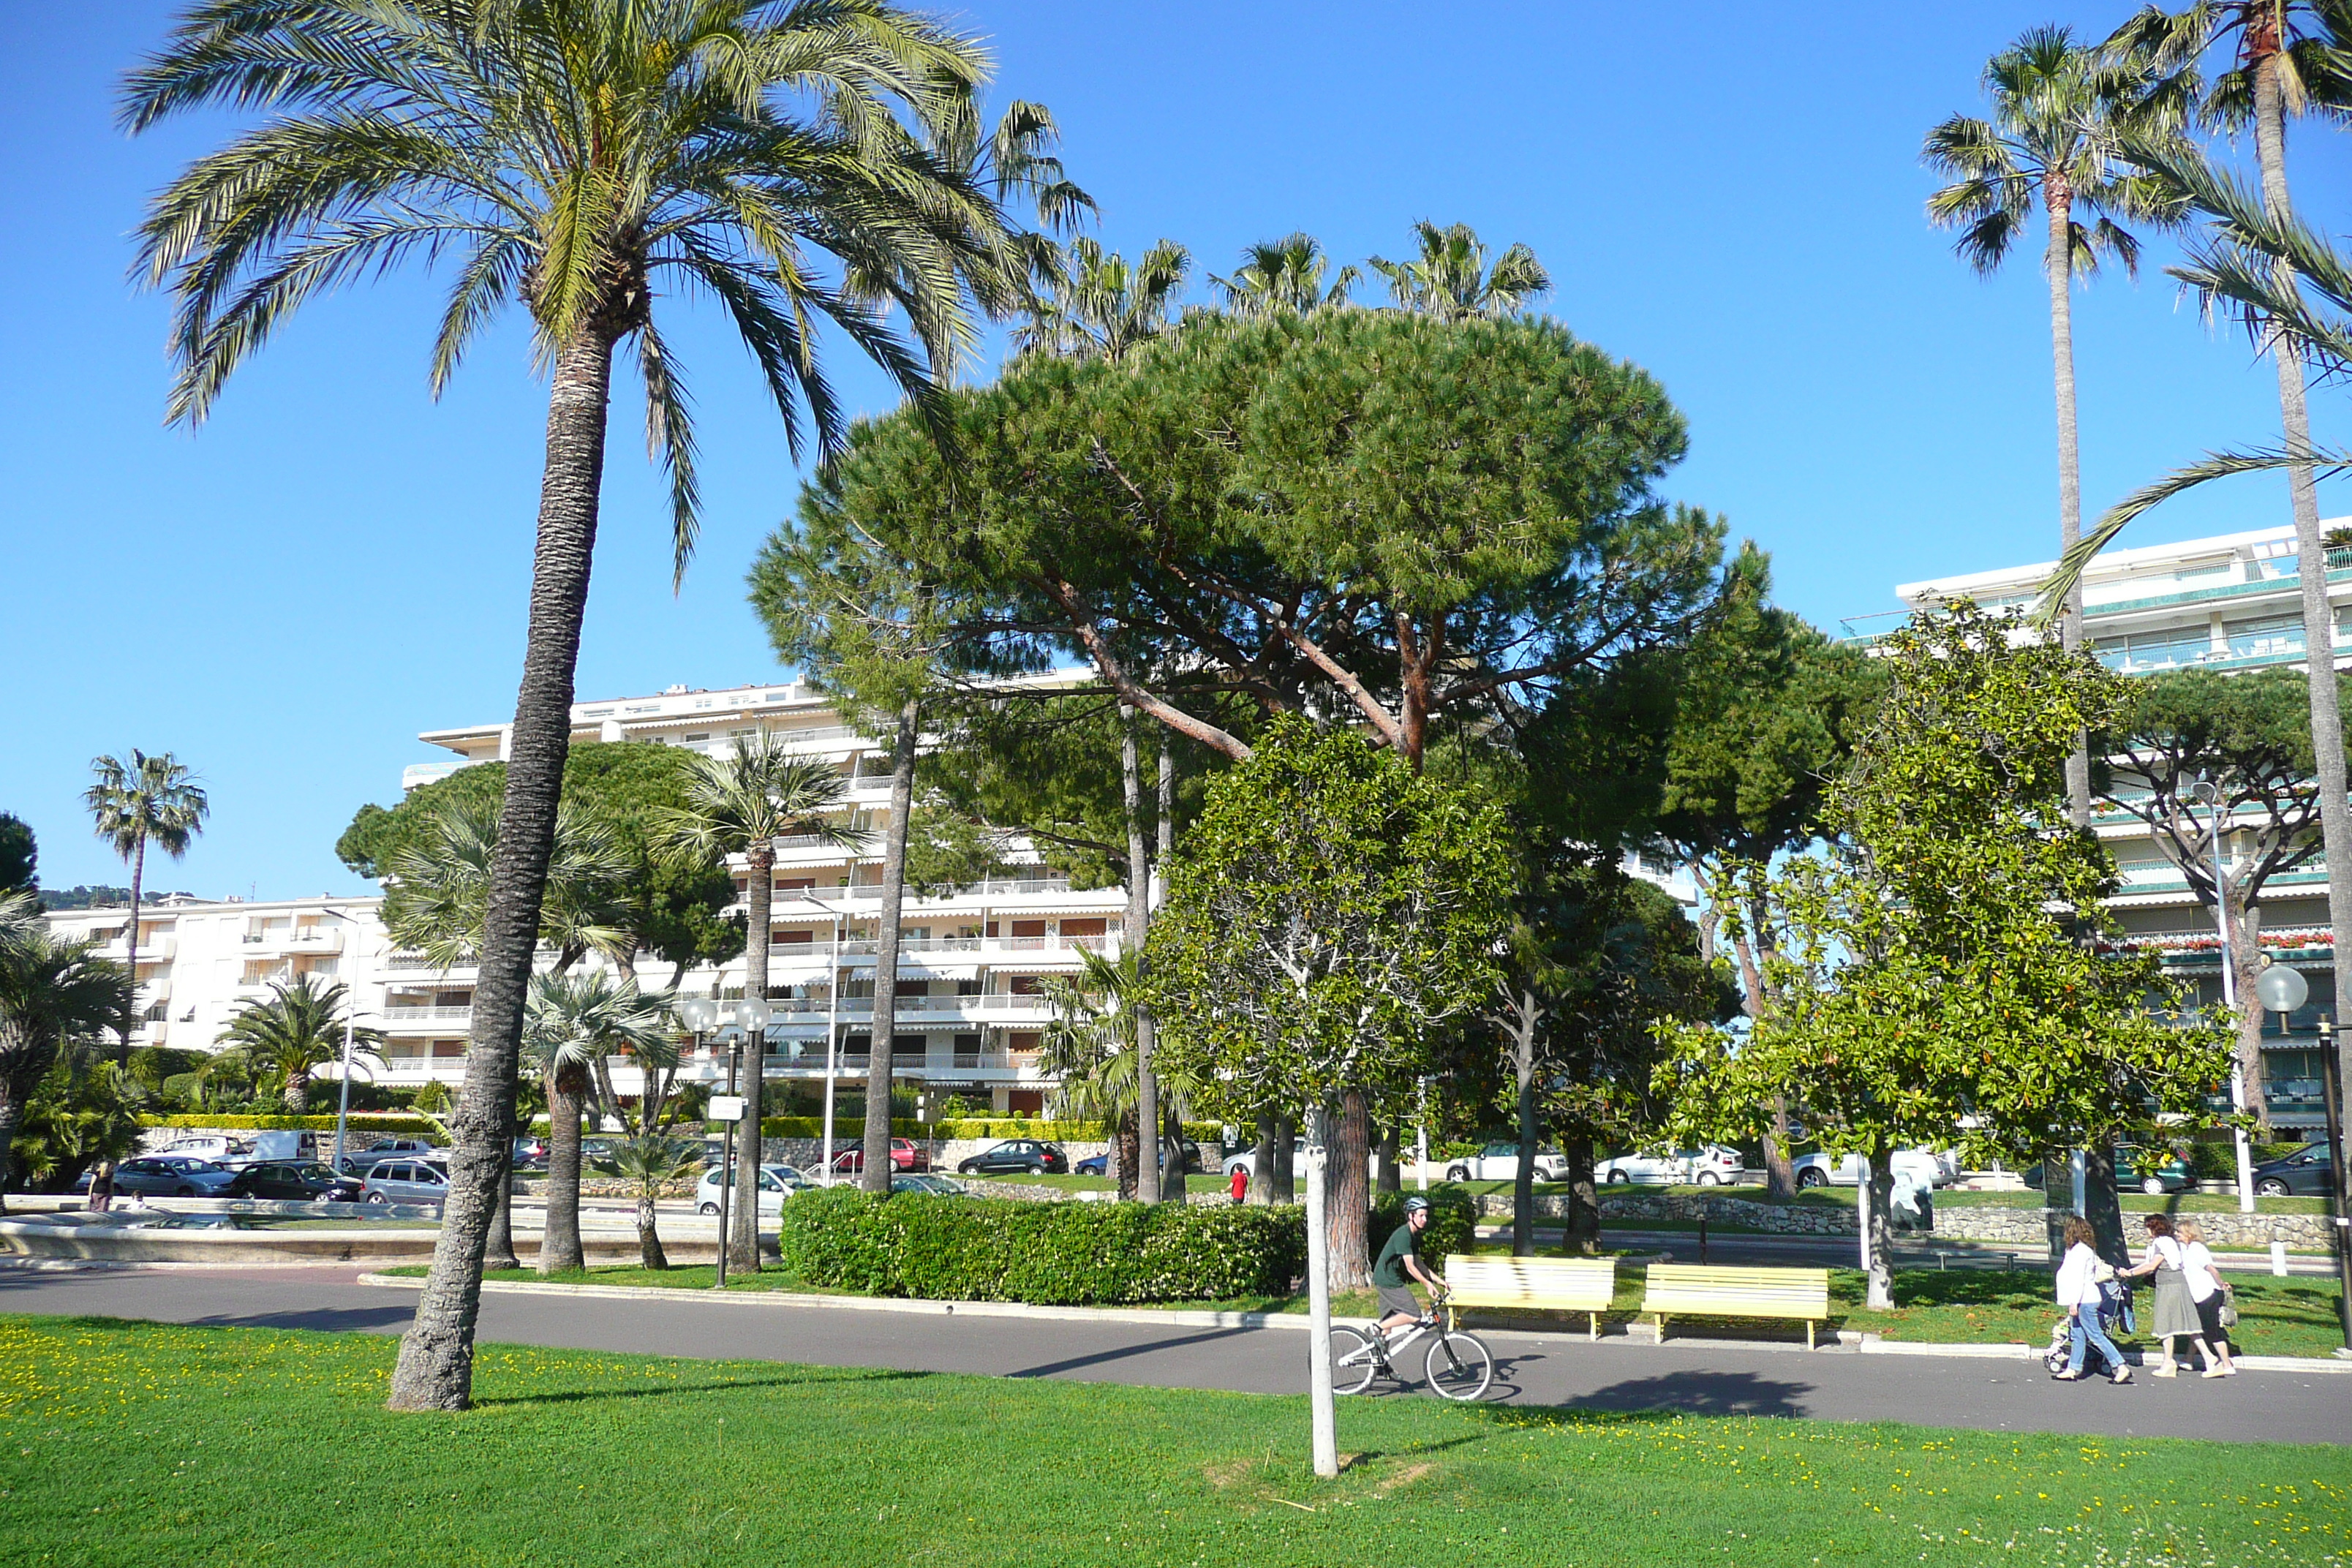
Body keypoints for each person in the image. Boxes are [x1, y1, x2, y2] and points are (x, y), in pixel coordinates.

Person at [2122, 1213, 2219, 1377]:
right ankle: (2206, 1359)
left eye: (2147, 1227)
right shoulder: (2169, 1242)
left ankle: (2171, 1363)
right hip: (2174, 1285)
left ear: (2154, 1228)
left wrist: (2130, 1273)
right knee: (2185, 1324)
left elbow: (2151, 1265)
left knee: (2166, 1323)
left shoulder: (2161, 1243)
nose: (2146, 1231)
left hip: (2170, 1286)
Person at [2053, 1215, 2132, 1384]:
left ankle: (2121, 1366)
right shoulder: (2077, 1250)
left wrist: (2074, 1302)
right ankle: (2073, 1368)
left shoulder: (2081, 1252)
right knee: (2077, 1334)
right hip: (2083, 1298)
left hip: (2084, 1299)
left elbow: (2079, 1278)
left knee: (2095, 1335)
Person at [1373, 1195, 1443, 1341]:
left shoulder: (1413, 1236)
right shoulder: (1404, 1235)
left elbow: (1419, 1264)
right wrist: (1427, 1284)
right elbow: (1410, 1267)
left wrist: (1440, 1281)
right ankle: (1374, 1330)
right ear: (1411, 1216)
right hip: (1388, 1280)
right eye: (1421, 1216)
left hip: (1388, 1277)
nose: (1425, 1219)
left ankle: (1379, 1362)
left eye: (1426, 1216)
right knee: (1414, 1315)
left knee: (1387, 1322)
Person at [2175, 1218, 2238, 1377]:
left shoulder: (2197, 1249)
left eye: (2180, 1232)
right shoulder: (2185, 1248)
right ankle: (2189, 1359)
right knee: (2195, 1327)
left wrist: (2221, 1284)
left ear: (2189, 1234)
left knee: (2212, 1331)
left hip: (2208, 1294)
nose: (2177, 1235)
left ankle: (2226, 1364)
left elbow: (2211, 1269)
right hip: (2198, 1294)